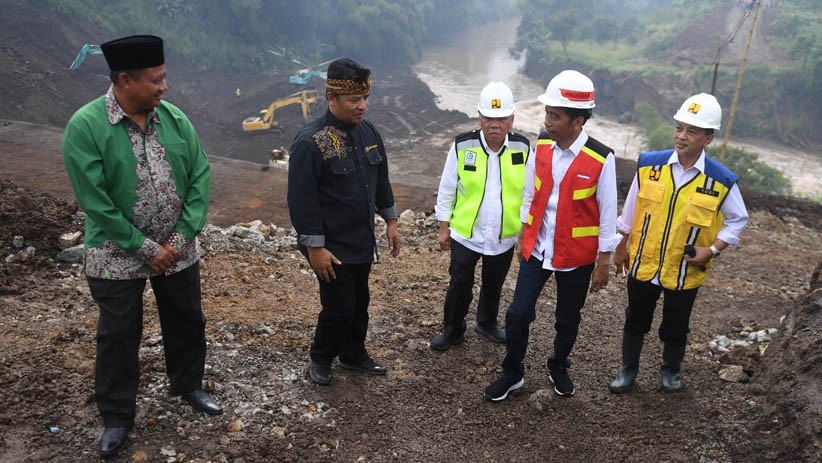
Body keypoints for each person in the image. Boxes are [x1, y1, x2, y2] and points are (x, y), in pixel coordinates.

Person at [61, 35, 220, 458]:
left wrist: (180, 238)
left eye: (164, 77)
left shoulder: (174, 119)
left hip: (177, 247)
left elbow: (200, 175)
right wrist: (146, 248)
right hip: (115, 253)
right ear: (125, 81)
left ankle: (188, 384)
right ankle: (117, 416)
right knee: (118, 333)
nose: (165, 87)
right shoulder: (85, 126)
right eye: (156, 80)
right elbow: (95, 202)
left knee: (187, 318)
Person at [484, 70, 620, 401]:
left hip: (576, 256)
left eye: (555, 116)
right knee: (518, 313)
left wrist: (604, 261)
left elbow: (607, 213)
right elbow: (530, 193)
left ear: (578, 122)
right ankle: (512, 373)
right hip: (538, 247)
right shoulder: (543, 145)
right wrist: (523, 235)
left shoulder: (601, 158)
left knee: (567, 319)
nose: (547, 121)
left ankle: (559, 365)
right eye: (547, 113)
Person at [609, 93, 748, 394]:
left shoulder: (721, 181)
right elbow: (630, 210)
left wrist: (712, 250)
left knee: (676, 326)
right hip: (644, 261)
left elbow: (738, 219)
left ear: (708, 138)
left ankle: (670, 371)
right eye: (679, 128)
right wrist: (621, 245)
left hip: (685, 268)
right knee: (635, 319)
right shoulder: (650, 165)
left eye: (692, 131)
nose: (682, 136)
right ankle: (628, 369)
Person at [287, 58, 401, 386]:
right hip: (331, 245)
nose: (362, 106)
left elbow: (381, 179)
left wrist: (391, 220)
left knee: (360, 301)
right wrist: (315, 247)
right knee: (339, 306)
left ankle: (353, 354)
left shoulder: (369, 132)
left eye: (365, 98)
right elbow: (301, 200)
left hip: (361, 238)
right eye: (354, 100)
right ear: (331, 98)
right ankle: (321, 357)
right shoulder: (312, 142)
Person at [430, 82, 532, 351]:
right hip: (466, 233)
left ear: (512, 120)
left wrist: (524, 233)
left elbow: (529, 193)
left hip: (504, 234)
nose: (494, 124)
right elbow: (447, 187)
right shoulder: (463, 145)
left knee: (493, 284)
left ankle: (486, 323)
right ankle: (452, 330)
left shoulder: (523, 148)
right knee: (459, 284)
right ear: (479, 117)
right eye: (488, 118)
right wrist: (443, 227)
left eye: (501, 118)